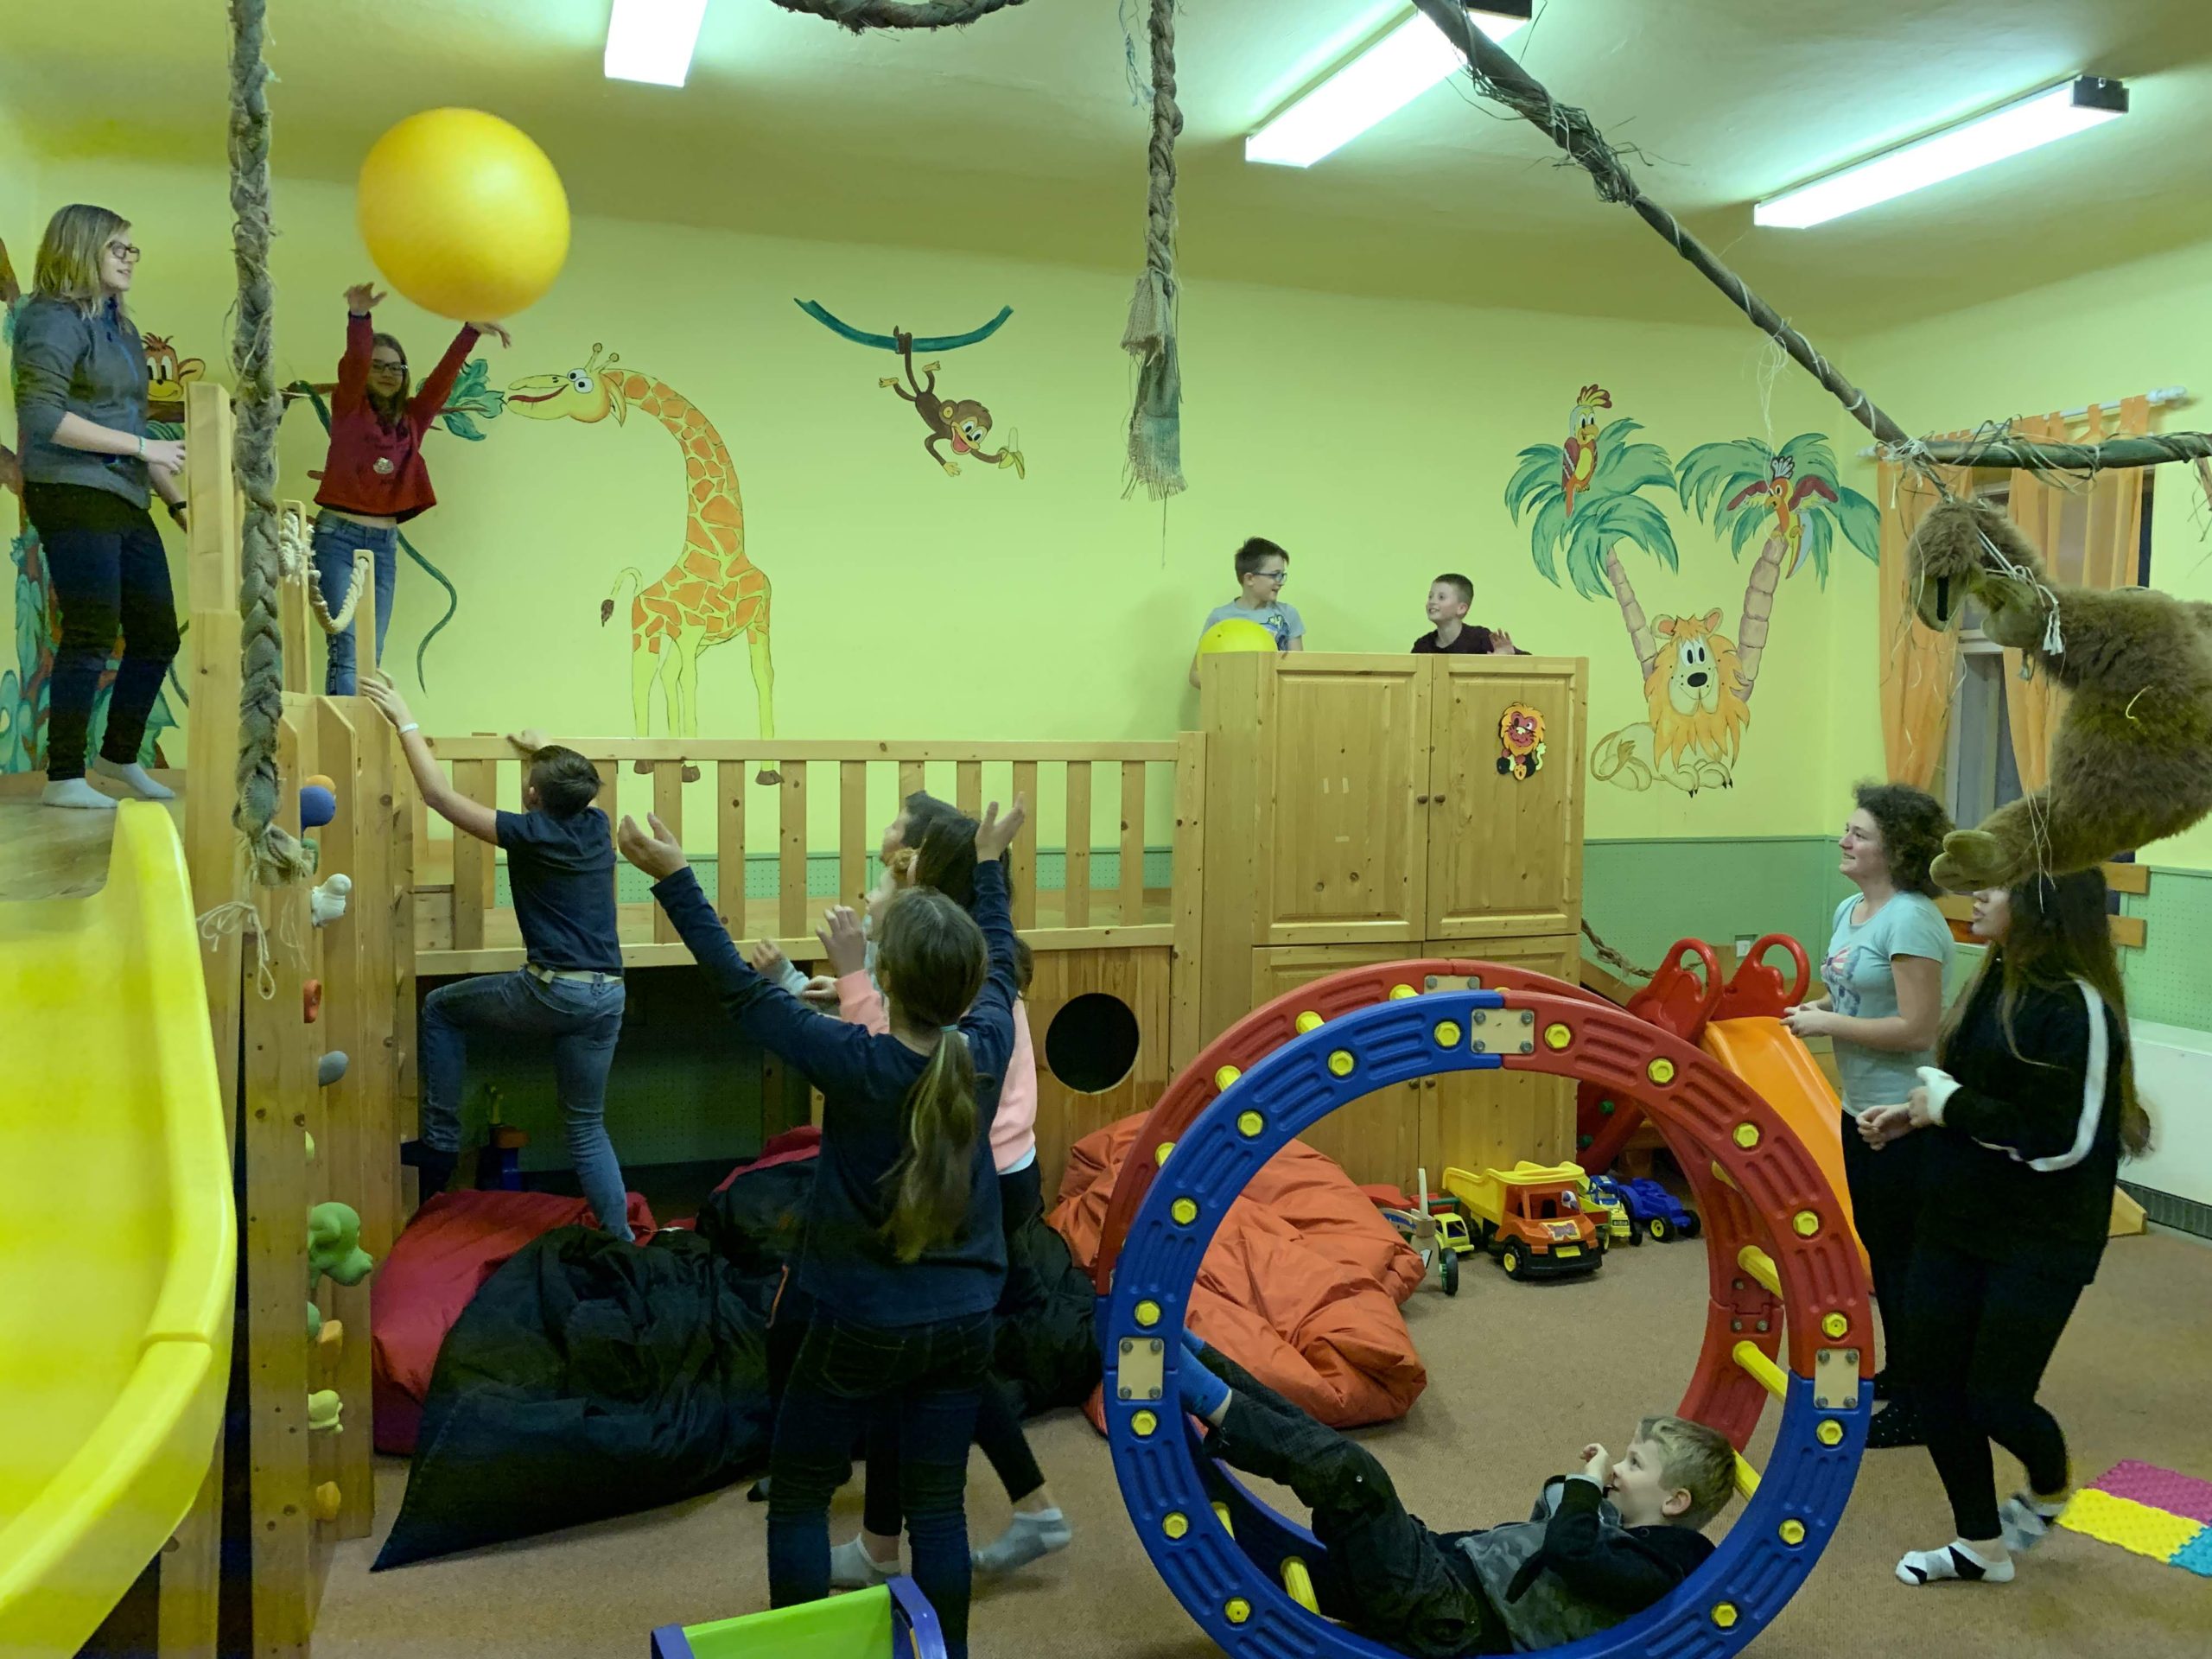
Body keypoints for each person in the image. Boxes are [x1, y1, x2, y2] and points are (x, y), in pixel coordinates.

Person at [620, 796, 1028, 1659]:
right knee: (939, 1509)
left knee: (802, 1494)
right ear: (965, 985)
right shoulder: (987, 1046)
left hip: (858, 1320)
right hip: (964, 1319)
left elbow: (740, 990)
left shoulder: (856, 1059)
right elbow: (999, 961)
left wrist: (676, 878)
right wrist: (990, 867)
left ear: (888, 981)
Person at [751, 791, 1071, 1583]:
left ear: (920, 869)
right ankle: (901, 1540)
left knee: (930, 1352)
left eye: (891, 864)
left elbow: (887, 1055)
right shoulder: (958, 953)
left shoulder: (948, 956)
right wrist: (819, 985)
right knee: (939, 1357)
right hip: (982, 1166)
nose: (876, 883)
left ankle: (998, 1515)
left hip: (976, 1171)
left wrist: (837, 981)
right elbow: (888, 1032)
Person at [1859, 868, 2153, 1589]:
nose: (1980, 898)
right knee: (1934, 1386)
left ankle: (2049, 1485)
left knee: (1996, 1397)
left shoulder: (2079, 1005)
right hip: (1956, 1218)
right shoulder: (1993, 978)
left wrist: (1951, 1107)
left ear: (2044, 905)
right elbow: (1975, 1093)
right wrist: (1918, 1116)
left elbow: (2063, 1141)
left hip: (2042, 1236)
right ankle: (1981, 1544)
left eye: (1999, 888)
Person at [1174, 1331, 1732, 1656]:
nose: (1620, 1469)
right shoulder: (1620, 1530)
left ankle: (1195, 1388)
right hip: (1439, 1571)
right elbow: (1544, 1528)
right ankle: (1196, 1358)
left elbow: (1569, 1552)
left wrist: (1587, 1488)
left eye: (1635, 1464)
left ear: (1675, 1502)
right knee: (1324, 1445)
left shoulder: (1661, 1572)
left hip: (1447, 1616)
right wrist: (1580, 1494)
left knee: (1353, 1476)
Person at [359, 675, 632, 1240]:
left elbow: (439, 796)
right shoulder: (595, 824)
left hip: (554, 989)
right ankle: (622, 1240)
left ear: (532, 795)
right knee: (587, 1125)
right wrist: (541, 747)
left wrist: (405, 719)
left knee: (441, 1007)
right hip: (608, 995)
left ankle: (440, 1143)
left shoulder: (530, 832)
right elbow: (571, 784)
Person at [1782, 782, 1952, 1449]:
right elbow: (1854, 988)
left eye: (1860, 835)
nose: (1844, 841)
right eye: (1847, 830)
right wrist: (1820, 1007)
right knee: (1883, 1252)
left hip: (1907, 1114)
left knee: (1907, 1261)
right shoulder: (1851, 909)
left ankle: (1922, 1401)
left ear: (1897, 850)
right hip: (1860, 1108)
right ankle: (1905, 1371)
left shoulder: (1911, 919)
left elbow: (1918, 1028)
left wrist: (1829, 1024)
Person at [9, 204, 185, 810]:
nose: (130, 259)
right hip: (70, 490)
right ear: (81, 248)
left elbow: (130, 428)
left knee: (157, 634)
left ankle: (118, 755)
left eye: (133, 249)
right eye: (118, 248)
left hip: (124, 493)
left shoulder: (121, 328)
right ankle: (64, 777)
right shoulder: (51, 319)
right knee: (90, 631)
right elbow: (43, 417)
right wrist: (142, 448)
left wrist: (177, 503)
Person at [313, 283, 508, 694]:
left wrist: (469, 332)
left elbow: (439, 383)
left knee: (372, 653)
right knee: (347, 651)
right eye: (379, 366)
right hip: (338, 538)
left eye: (397, 367)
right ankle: (346, 734)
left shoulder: (412, 419)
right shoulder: (349, 408)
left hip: (384, 544)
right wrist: (360, 317)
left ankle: (363, 730)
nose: (388, 373)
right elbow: (353, 365)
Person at [1189, 536, 1301, 688]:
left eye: (1282, 575)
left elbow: (1298, 671)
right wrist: (1228, 686)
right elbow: (1196, 674)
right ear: (1250, 579)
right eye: (1274, 575)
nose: (1280, 582)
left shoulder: (1288, 614)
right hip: (1231, 700)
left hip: (1276, 698)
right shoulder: (1220, 617)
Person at [1410, 573, 1524, 655]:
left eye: (1441, 597)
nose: (1432, 602)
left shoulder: (1481, 639)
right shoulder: (1422, 646)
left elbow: (1531, 664)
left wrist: (1508, 657)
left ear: (1461, 608)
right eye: (1430, 596)